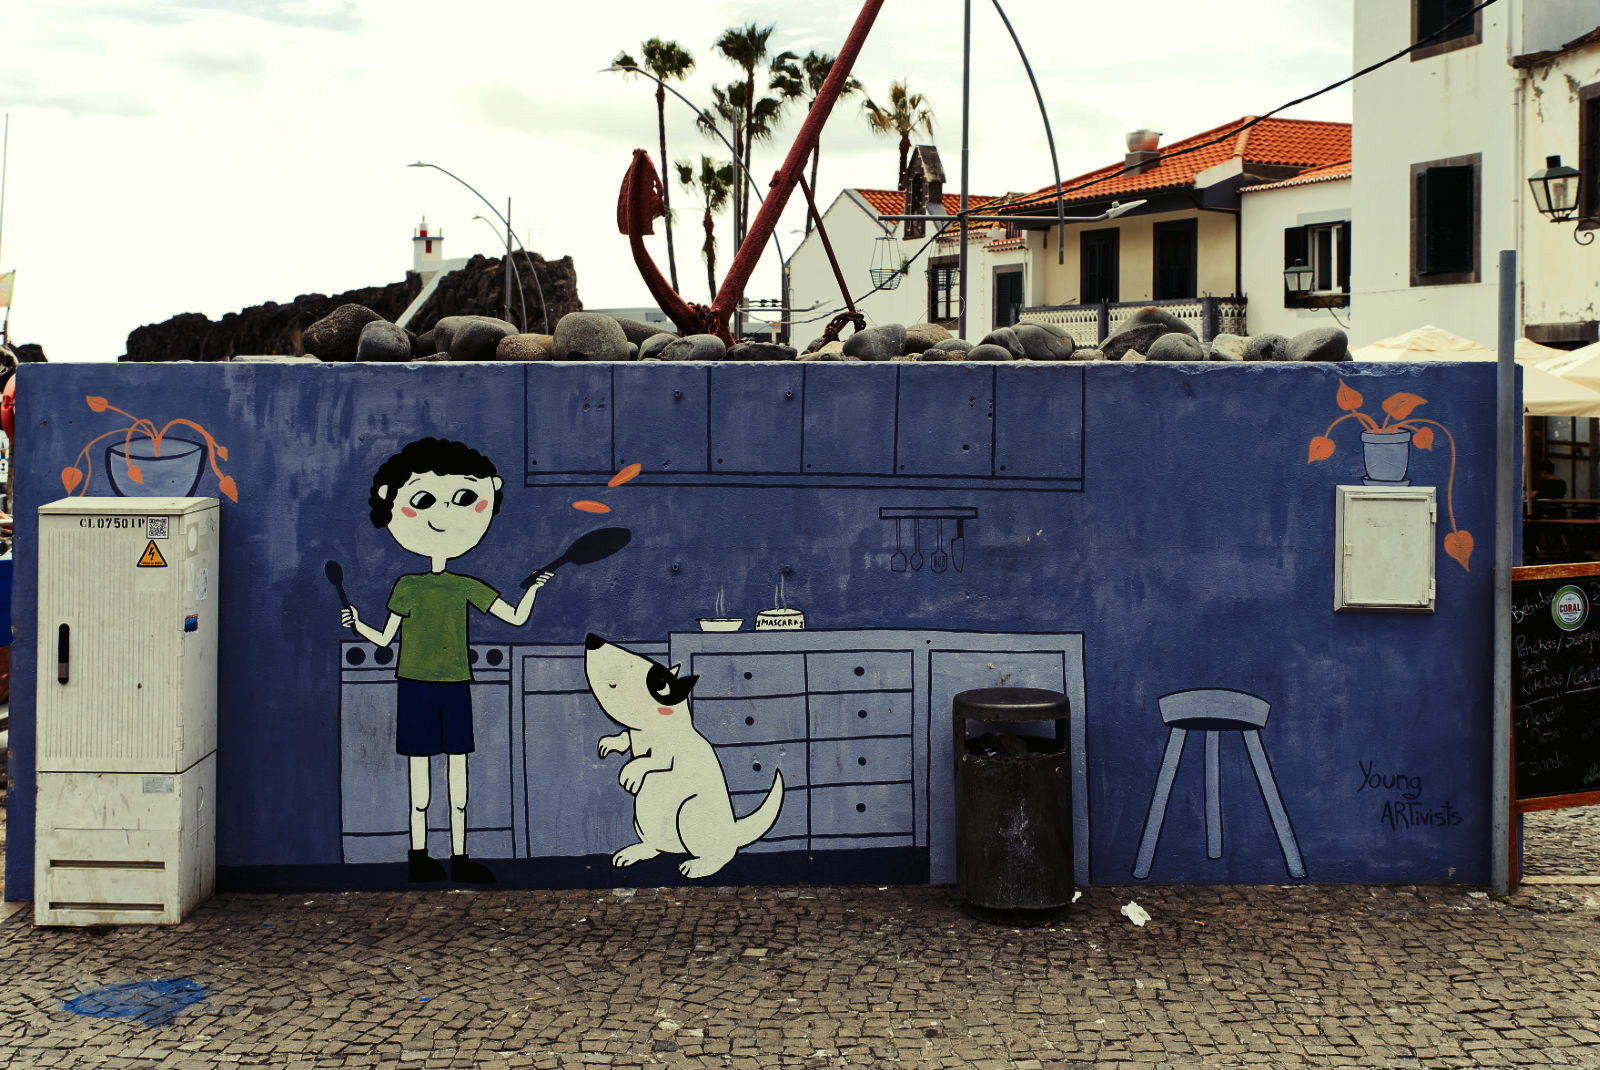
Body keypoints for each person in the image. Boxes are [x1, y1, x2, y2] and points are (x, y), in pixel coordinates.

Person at [342, 438, 552, 883]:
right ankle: (419, 854)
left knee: (458, 774)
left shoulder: (466, 586)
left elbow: (514, 618)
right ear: (390, 504)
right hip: (416, 685)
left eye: (465, 499)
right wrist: (357, 623)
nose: (444, 516)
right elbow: (383, 639)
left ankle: (458, 855)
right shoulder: (408, 586)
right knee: (422, 778)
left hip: (454, 683)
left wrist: (533, 587)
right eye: (423, 500)